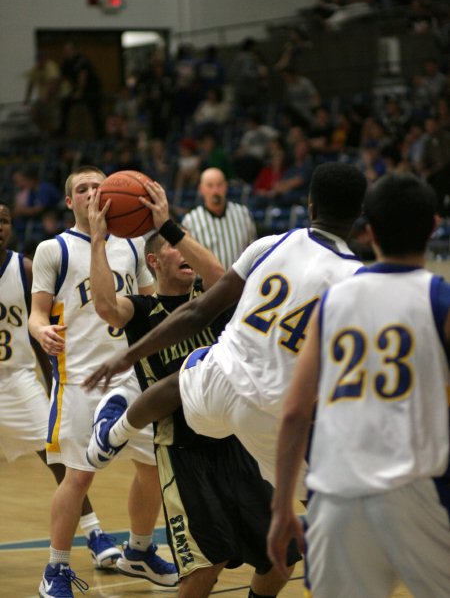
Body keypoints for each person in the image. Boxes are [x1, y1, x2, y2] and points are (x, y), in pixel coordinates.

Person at [83, 162, 367, 500]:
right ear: (359, 214)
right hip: (273, 412)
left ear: (310, 206)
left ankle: (114, 433)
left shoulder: (270, 245)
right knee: (318, 500)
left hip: (218, 385)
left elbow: (198, 312)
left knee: (189, 370)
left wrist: (127, 356)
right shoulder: (358, 281)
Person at [84, 180, 300, 597]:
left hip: (238, 442)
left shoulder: (211, 302)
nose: (182, 251)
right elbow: (107, 306)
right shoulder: (142, 310)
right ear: (153, 260)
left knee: (282, 555)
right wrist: (98, 239)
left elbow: (222, 274)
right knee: (205, 567)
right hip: (184, 452)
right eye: (170, 247)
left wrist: (171, 226)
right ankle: (116, 423)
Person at [267, 172, 450, 598]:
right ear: (434, 226)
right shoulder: (438, 298)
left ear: (368, 231)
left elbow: (295, 412)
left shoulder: (336, 300)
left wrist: (280, 510)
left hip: (334, 495)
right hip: (415, 489)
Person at [28, 166, 177, 598]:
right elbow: (38, 313)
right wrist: (41, 331)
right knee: (78, 476)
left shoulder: (131, 244)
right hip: (79, 381)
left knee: (152, 469)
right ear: (70, 202)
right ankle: (56, 568)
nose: (93, 192)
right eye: (82, 189)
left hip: (132, 379)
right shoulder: (51, 250)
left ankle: (140, 550)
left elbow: (148, 302)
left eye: (99, 185)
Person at [0, 200, 98, 524]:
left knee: (55, 454)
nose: (0, 228)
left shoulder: (24, 268)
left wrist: (53, 380)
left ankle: (94, 531)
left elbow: (39, 333)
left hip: (18, 379)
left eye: (4, 221)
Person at [181, 167, 256, 268]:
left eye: (219, 185)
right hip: (208, 283)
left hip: (241, 281)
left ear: (225, 186)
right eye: (210, 186)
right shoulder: (190, 221)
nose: (215, 191)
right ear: (201, 189)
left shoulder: (243, 214)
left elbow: (253, 251)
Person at [57, 41, 103, 139]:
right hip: (77, 89)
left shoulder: (82, 60)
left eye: (68, 50)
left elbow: (82, 76)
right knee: (65, 105)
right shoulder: (66, 62)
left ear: (75, 50)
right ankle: (62, 132)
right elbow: (61, 78)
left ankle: (100, 134)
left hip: (91, 89)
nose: (66, 52)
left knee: (95, 111)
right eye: (65, 51)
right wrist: (55, 92)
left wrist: (80, 91)